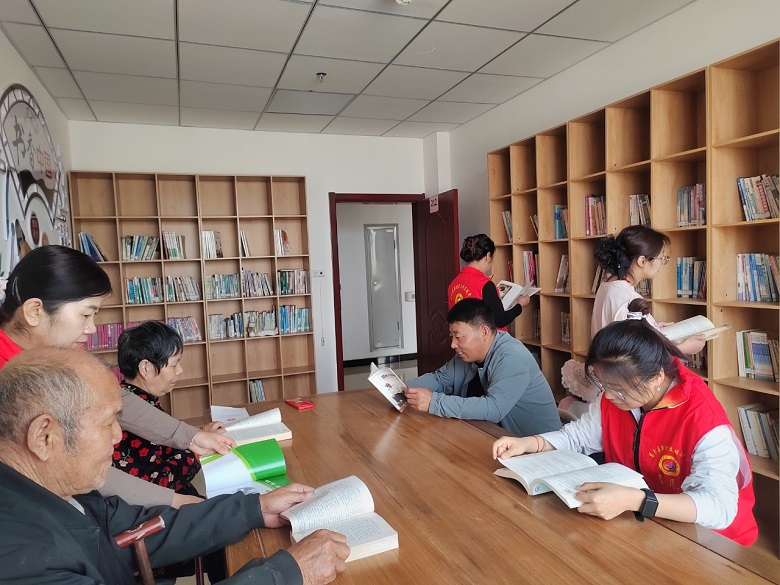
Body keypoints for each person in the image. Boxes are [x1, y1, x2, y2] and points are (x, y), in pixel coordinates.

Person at [0, 347, 349, 584]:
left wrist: (254, 509)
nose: (118, 436)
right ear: (44, 437)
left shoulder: (59, 491)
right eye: (107, 423)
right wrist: (287, 573)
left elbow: (141, 528)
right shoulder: (24, 560)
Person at [0, 245, 234, 507]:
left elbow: (112, 398)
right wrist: (175, 501)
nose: (91, 328)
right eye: (85, 314)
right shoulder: (13, 381)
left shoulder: (52, 355)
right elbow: (79, 464)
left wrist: (191, 436)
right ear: (34, 311)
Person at [493, 317, 758, 546]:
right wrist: (532, 443)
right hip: (643, 520)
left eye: (618, 389)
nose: (609, 396)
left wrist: (637, 500)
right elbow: (579, 436)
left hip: (708, 540)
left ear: (656, 377)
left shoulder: (704, 420)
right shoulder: (620, 393)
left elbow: (719, 507)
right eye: (602, 385)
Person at [560, 226, 706, 412]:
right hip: (624, 385)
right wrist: (684, 349)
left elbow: (623, 331)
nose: (662, 264)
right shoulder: (628, 297)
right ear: (642, 261)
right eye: (662, 258)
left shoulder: (608, 286)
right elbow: (634, 354)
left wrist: (653, 326)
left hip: (610, 376)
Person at [404, 298, 562, 436]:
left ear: (484, 332)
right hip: (493, 437)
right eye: (452, 337)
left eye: (458, 337)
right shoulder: (467, 355)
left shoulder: (512, 357)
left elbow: (493, 408)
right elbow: (440, 379)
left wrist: (434, 402)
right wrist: (400, 389)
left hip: (539, 451)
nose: (453, 344)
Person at [115, 321, 216, 496]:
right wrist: (196, 453)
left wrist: (198, 435)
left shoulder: (134, 396)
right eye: (174, 364)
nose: (180, 370)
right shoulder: (134, 414)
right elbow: (159, 484)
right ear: (146, 368)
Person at [448, 234, 530, 331]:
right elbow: (501, 320)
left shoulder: (453, 284)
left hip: (462, 337)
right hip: (485, 339)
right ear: (488, 256)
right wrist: (520, 305)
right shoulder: (485, 285)